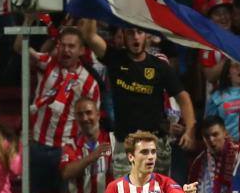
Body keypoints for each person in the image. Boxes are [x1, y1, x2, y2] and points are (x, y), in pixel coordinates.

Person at [81, 19, 196, 176]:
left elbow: (183, 97)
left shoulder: (159, 66)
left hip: (156, 145)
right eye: (130, 32)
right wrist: (93, 4)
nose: (135, 37)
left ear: (146, 36)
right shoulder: (114, 58)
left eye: (139, 32)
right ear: (123, 35)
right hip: (125, 145)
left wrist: (190, 129)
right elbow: (89, 36)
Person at [31, 26, 101, 193]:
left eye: (71, 46)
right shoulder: (47, 63)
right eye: (63, 45)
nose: (66, 50)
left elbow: (93, 121)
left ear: (81, 50)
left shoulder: (89, 84)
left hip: (65, 150)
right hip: (37, 145)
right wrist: (29, 19)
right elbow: (20, 49)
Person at [204, 59, 240, 141]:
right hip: (228, 147)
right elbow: (209, 126)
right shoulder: (216, 97)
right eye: (236, 65)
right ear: (228, 73)